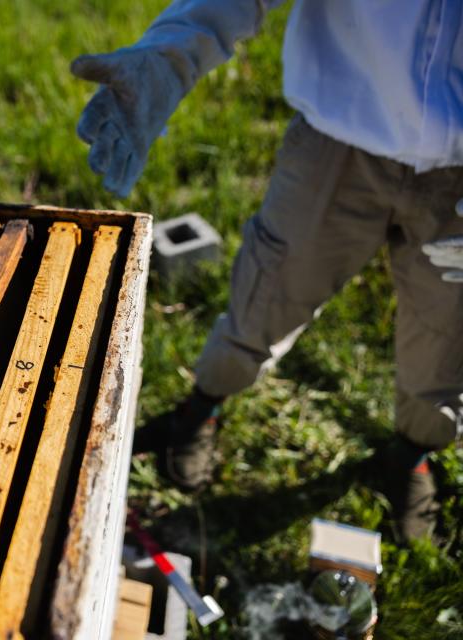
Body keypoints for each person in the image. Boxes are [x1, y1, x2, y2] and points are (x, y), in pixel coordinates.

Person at [71, 0, 463, 542]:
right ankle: (202, 406)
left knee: (447, 327)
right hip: (338, 134)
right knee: (272, 285)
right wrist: (173, 52)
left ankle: (415, 449)